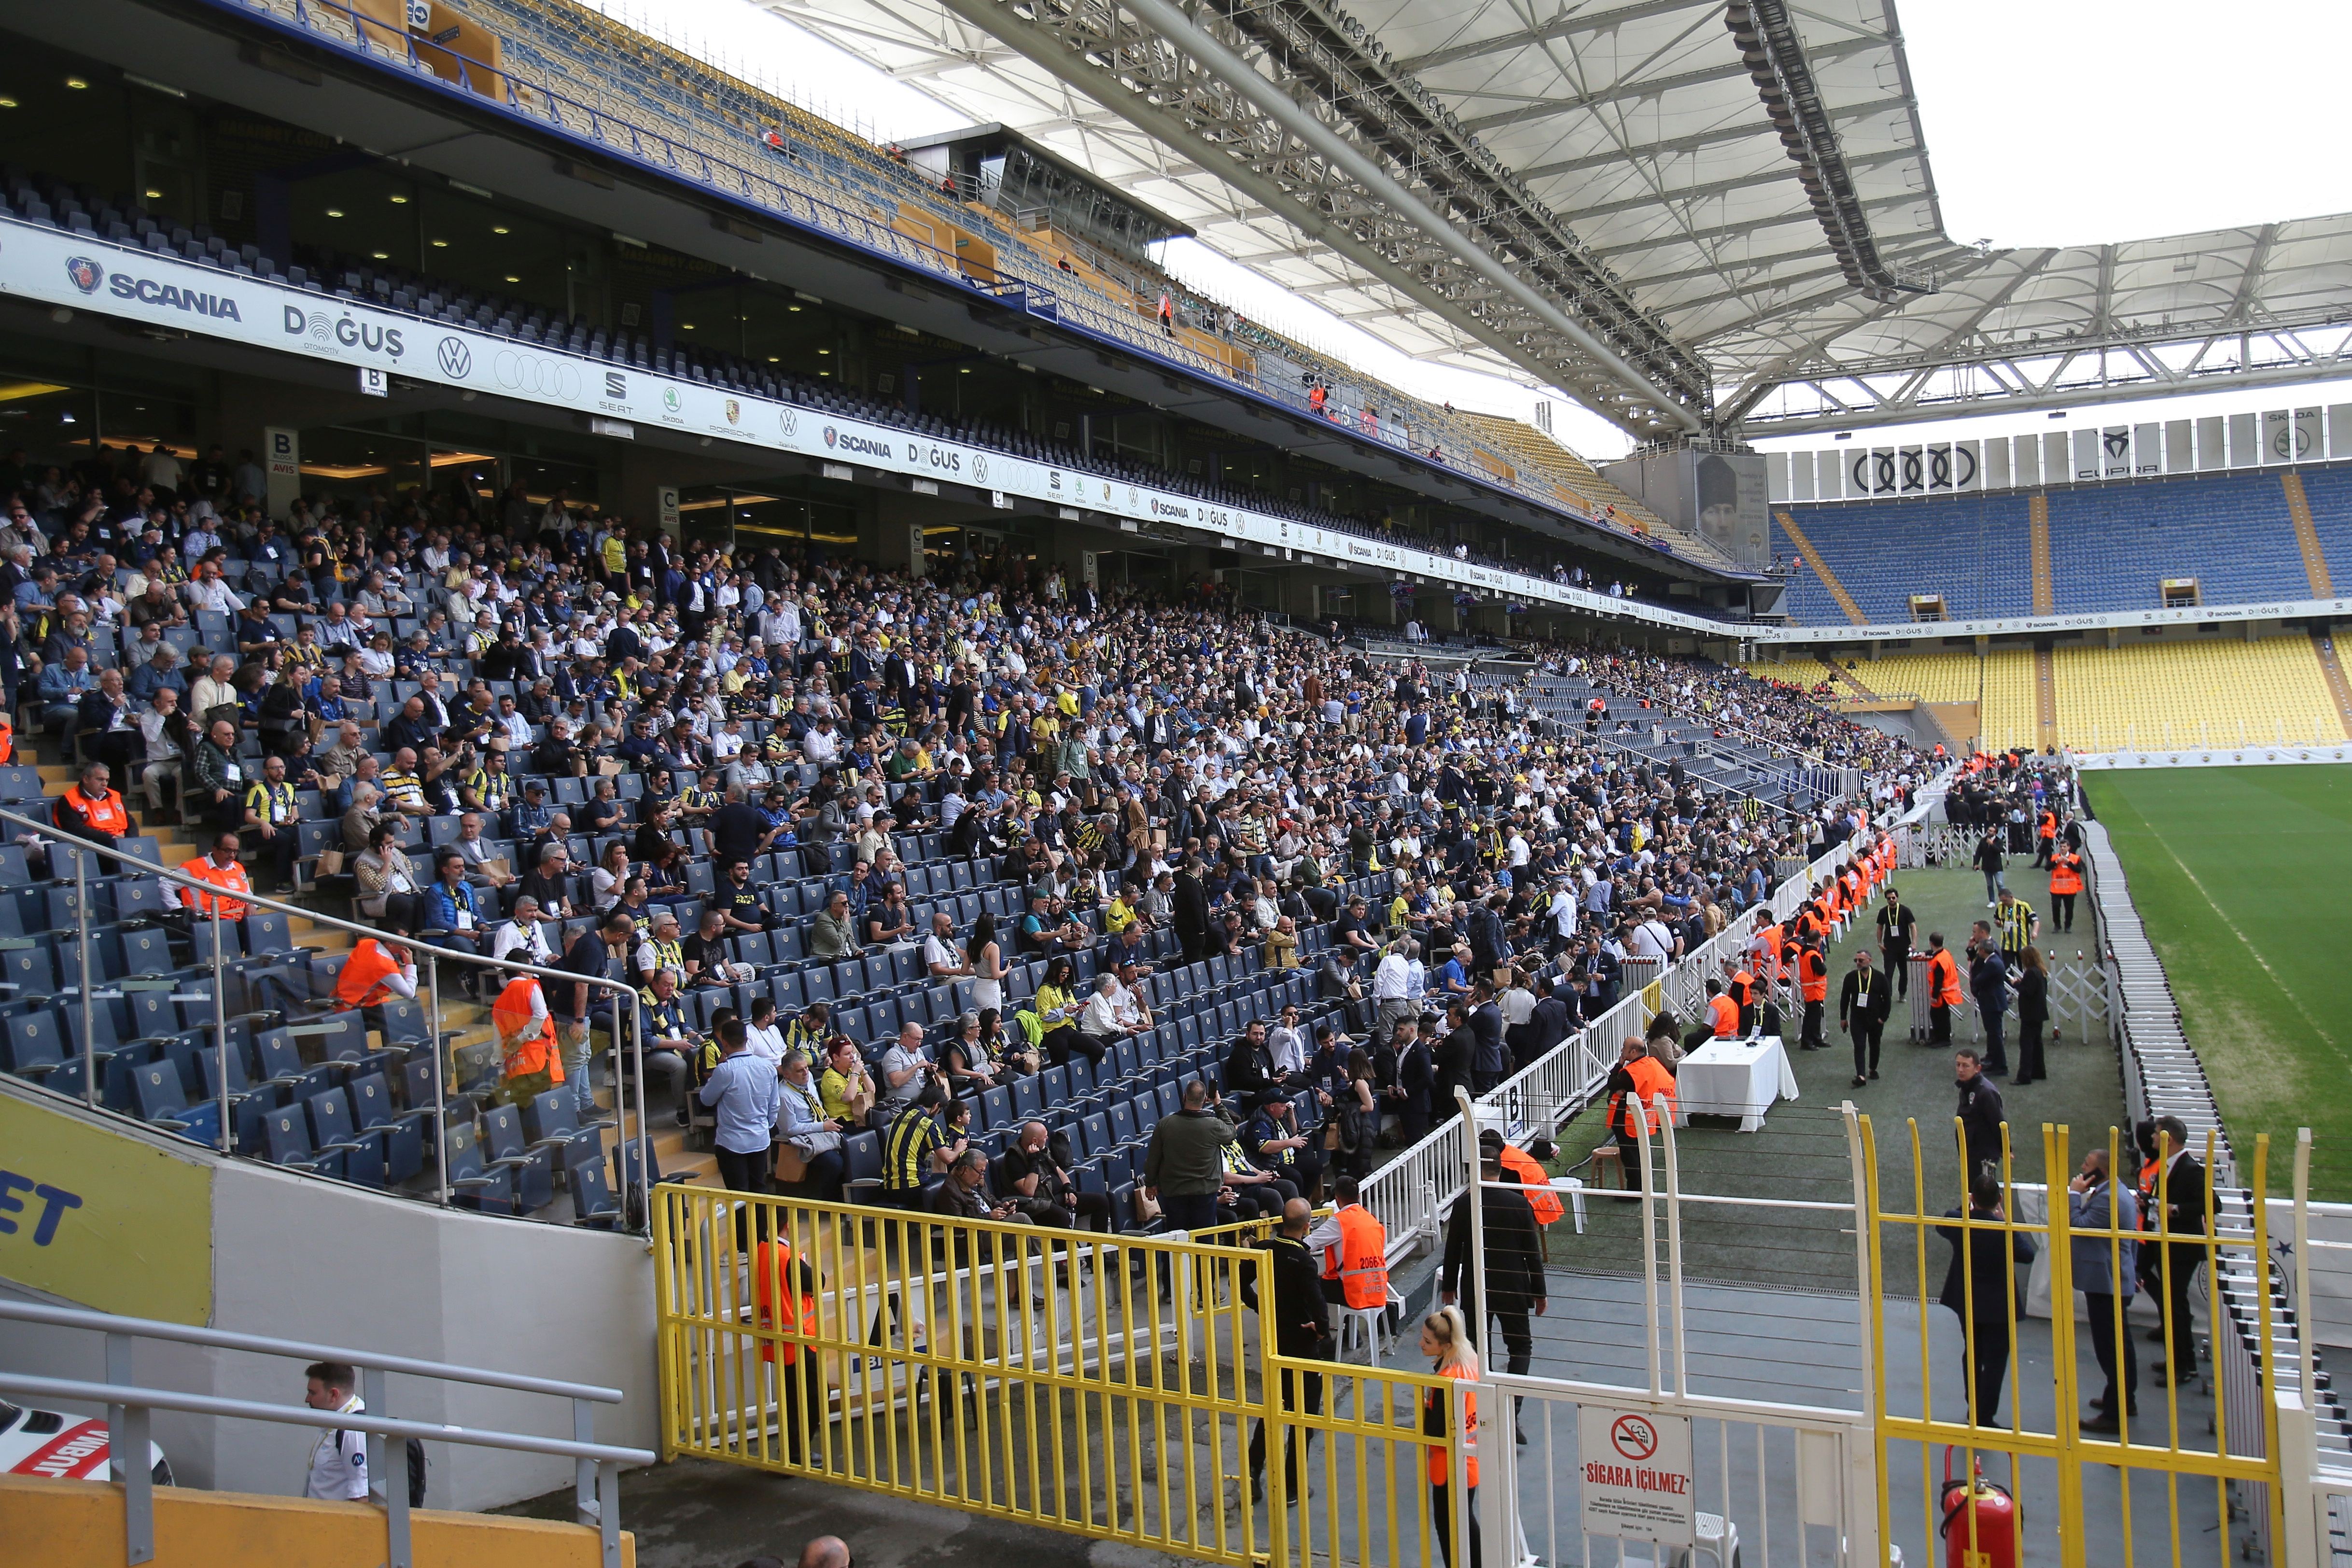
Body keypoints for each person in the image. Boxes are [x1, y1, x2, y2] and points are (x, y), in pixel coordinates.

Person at [1440, 1137, 1544, 1441]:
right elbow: (1531, 1252)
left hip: (1476, 1286)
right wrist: (1540, 1292)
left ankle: (1478, 1410)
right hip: (1512, 1285)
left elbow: (1453, 1249)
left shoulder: (1464, 1205)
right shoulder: (1519, 1203)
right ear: (1501, 1169)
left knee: (1474, 1348)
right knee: (1520, 1348)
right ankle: (1511, 1413)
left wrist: (1449, 1287)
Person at [1243, 1197, 1332, 1505]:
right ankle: (1293, 1485)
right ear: (1308, 1226)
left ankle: (1254, 1469)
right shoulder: (1304, 1262)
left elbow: (1243, 1286)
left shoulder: (1264, 1249)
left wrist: (1265, 1310)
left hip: (1274, 1339)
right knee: (1303, 1417)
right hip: (1302, 1345)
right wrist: (1319, 1330)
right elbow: (1321, 1312)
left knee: (1272, 1410)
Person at [1936, 1170, 2035, 1426]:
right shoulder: (2001, 1231)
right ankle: (1986, 1414)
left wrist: (1967, 1206)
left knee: (1973, 1353)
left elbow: (1944, 1223)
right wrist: (2006, 1223)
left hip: (1968, 1302)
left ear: (1972, 1198)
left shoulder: (1958, 1222)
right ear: (1999, 1199)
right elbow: (2027, 1255)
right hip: (1998, 1306)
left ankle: (1974, 1406)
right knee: (1996, 1361)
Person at [2070, 1147, 2140, 1432]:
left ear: (2100, 1170)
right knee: (2118, 1346)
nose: (2082, 1168)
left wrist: (2074, 1194)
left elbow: (2077, 1225)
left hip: (2107, 1283)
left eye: (2087, 1164)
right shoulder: (2116, 1194)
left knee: (2111, 1349)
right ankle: (2122, 1400)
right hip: (2111, 1279)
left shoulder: (2111, 1199)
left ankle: (2115, 1412)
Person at [700, 1016, 781, 1227]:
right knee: (759, 1189)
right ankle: (762, 1239)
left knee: (738, 1195)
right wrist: (765, 1127)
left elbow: (706, 1099)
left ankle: (745, 1246)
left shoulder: (725, 1070)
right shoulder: (767, 1067)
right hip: (760, 1139)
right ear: (747, 1039)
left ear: (724, 1043)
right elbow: (775, 1106)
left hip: (732, 1143)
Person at [2147, 1115, 2209, 1386]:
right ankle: (2181, 1359)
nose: (2151, 1139)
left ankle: (2183, 1364)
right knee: (2174, 1305)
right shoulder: (2171, 1166)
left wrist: (2176, 1210)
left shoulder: (2190, 1169)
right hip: (2170, 1243)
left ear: (2167, 1139)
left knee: (2176, 1306)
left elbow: (2210, 1204)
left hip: (2182, 1247)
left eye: (2155, 1134)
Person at [1418, 1305, 1482, 1568]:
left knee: (1449, 1530)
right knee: (1465, 1522)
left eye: (1427, 1341)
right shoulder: (1471, 1365)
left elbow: (1435, 1429)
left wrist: (1423, 1407)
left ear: (1445, 1346)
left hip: (1448, 1468)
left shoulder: (1445, 1381)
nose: (1420, 1344)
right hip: (1468, 1464)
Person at [1143, 1078, 1236, 1233]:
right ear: (1206, 1098)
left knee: (1177, 1238)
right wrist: (1219, 1106)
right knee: (1204, 1238)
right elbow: (1231, 1132)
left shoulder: (1165, 1125)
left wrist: (1150, 1184)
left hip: (1174, 1191)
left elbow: (1153, 1159)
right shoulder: (1213, 1125)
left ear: (1184, 1097)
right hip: (1205, 1191)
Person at [1004, 1119, 1110, 1232]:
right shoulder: (1014, 1157)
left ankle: (1095, 1247)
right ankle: (1065, 1250)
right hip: (1035, 1204)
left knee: (1101, 1202)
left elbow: (1058, 1170)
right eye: (1045, 1137)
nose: (1047, 1138)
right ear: (1034, 1141)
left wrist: (1069, 1189)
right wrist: (1033, 1161)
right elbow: (1029, 1191)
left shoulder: (1043, 1150)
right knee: (1063, 1216)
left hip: (1057, 1196)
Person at [1303, 1175, 1388, 1311]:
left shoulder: (1340, 1221)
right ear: (1358, 1197)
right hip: (1378, 1290)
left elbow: (1308, 1244)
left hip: (1353, 1290)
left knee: (1305, 1284)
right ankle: (1351, 1331)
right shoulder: (1371, 1220)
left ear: (1337, 1199)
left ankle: (1318, 1328)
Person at [491, 952, 565, 1107]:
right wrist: (523, 1037)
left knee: (525, 1108)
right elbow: (541, 1015)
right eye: (530, 965)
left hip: (515, 1065)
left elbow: (497, 1041)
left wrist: (501, 1071)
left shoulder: (499, 1002)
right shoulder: (529, 986)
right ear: (522, 970)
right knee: (542, 1108)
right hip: (538, 1059)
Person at [1603, 1036, 1675, 1192]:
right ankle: (1643, 1189)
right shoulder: (1653, 1063)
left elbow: (1612, 1083)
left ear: (1633, 1052)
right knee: (1641, 1154)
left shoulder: (1631, 1072)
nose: (1622, 1051)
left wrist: (1620, 1064)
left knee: (1631, 1157)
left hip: (1628, 1120)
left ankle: (1635, 1191)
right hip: (1646, 1115)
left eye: (1624, 1048)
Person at [775, 1050, 847, 1203]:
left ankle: (848, 1197)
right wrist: (822, 1127)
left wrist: (826, 1123)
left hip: (822, 1129)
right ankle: (826, 1200)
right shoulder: (784, 1095)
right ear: (787, 1075)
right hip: (802, 1140)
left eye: (806, 1068)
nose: (805, 1073)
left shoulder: (809, 1081)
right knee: (834, 1162)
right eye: (800, 1071)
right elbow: (791, 1129)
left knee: (851, 1146)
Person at [299, 1361, 370, 1501]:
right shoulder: (335, 1420)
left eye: (312, 1393)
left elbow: (362, 1497)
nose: (307, 1399)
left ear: (333, 1395)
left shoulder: (353, 1431)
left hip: (334, 1521)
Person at [1839, 949, 1890, 1089]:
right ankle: (1860, 1075)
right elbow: (1845, 998)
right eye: (1856, 961)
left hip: (1875, 1019)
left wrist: (1883, 1018)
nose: (1858, 963)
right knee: (1859, 1046)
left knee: (1875, 1045)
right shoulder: (1851, 978)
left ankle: (1873, 1068)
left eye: (1861, 960)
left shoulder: (1880, 978)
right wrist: (1843, 1018)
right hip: (1857, 1019)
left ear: (1870, 961)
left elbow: (1887, 999)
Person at [1954, 1048, 2005, 1183]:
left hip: (1983, 1154)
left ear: (1978, 1069)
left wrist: (2006, 1148)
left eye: (1966, 1066)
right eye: (1958, 1065)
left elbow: (1998, 1121)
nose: (1961, 1070)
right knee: (1971, 1186)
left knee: (1982, 1190)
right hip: (1971, 1149)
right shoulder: (1967, 1087)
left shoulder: (1986, 1092)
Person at [180, 832, 253, 924]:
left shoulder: (238, 867)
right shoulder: (192, 867)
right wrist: (177, 909)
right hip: (209, 921)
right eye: (228, 850)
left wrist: (250, 903)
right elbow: (166, 885)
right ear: (215, 850)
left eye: (236, 852)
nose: (232, 855)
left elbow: (247, 892)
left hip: (240, 919)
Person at [1968, 926, 2010, 1077]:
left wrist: (1975, 984)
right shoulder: (1993, 961)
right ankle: (1994, 1060)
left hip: (1992, 1002)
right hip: (1992, 1001)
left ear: (1983, 951)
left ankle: (2000, 1065)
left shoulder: (1992, 964)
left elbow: (1980, 979)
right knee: (1993, 1034)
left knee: (1995, 1035)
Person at [2013, 946, 2049, 1085]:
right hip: (2039, 1013)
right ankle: (2039, 1071)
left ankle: (2024, 1075)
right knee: (2037, 1043)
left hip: (2030, 1014)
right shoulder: (2040, 972)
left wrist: (2017, 985)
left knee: (2027, 1045)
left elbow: (2027, 992)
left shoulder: (2031, 973)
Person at [1876, 885, 1916, 999]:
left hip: (1904, 947)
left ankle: (1902, 993)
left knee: (1904, 973)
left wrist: (1914, 943)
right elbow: (1880, 927)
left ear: (1897, 898)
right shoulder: (1883, 912)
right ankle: (1888, 996)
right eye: (1889, 898)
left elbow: (1913, 927)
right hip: (1889, 948)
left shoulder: (1905, 910)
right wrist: (1879, 943)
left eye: (1893, 898)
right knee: (1888, 973)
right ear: (1886, 899)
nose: (1891, 900)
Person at [1924, 931, 1962, 1045]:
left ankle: (1943, 1039)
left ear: (1931, 943)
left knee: (1939, 1017)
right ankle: (1941, 1037)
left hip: (1942, 993)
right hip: (1947, 992)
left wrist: (1935, 996)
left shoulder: (1938, 960)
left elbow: (1938, 981)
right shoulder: (1945, 954)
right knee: (1942, 1016)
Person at [2049, 842, 2084, 934]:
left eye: (2064, 847)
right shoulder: (2055, 857)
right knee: (2056, 906)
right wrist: (2056, 862)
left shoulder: (2075, 858)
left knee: (2069, 909)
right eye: (2061, 847)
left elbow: (2079, 870)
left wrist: (2069, 863)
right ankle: (2057, 925)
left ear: (2069, 847)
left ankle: (2068, 926)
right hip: (2057, 888)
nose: (2062, 848)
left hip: (2070, 888)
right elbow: (2047, 868)